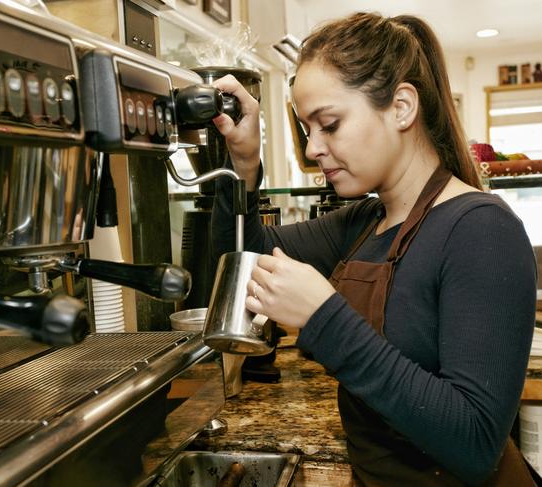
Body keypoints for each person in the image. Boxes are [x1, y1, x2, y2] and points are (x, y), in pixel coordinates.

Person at [209, 12, 538, 486]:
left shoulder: (482, 231)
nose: (313, 149)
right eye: (307, 130)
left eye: (330, 124)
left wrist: (323, 318)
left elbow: (475, 444)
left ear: (402, 107)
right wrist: (242, 165)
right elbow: (241, 261)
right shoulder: (364, 223)